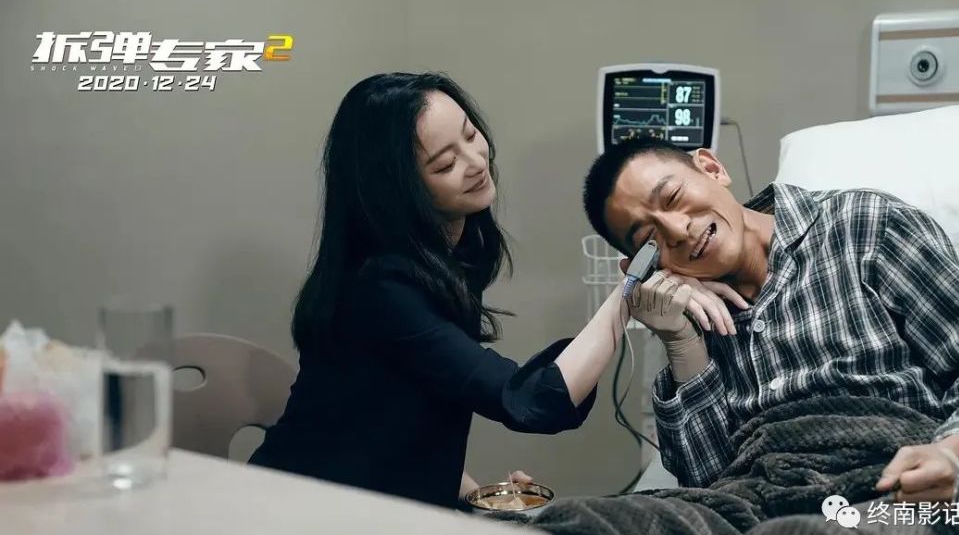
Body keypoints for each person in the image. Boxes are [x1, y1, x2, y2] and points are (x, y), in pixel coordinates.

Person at [249, 74, 737, 509]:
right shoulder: (381, 289)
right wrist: (629, 291)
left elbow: (403, 415)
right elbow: (536, 401)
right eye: (445, 163)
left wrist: (480, 498)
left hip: (380, 505)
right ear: (398, 190)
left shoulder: (447, 258)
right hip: (303, 515)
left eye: (470, 134)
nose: (475, 161)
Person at [544, 136, 959, 535]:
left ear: (711, 168)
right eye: (649, 239)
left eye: (674, 198)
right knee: (568, 527)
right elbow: (706, 481)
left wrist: (953, 452)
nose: (677, 231)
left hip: (895, 491)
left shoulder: (864, 225)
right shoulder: (692, 309)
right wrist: (680, 340)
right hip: (751, 502)